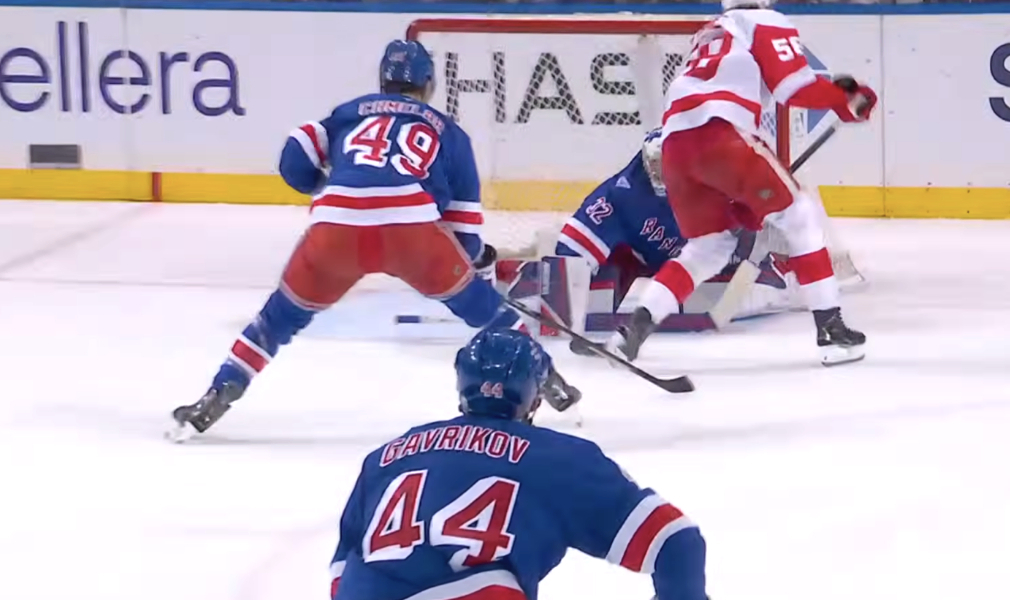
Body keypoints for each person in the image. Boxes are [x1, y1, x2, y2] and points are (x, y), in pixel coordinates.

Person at [167, 40, 579, 442]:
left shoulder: (348, 114)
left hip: (337, 225)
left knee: (276, 320)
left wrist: (321, 185)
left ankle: (219, 392)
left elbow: (295, 155)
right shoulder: (450, 133)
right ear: (429, 84)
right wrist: (473, 265)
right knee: (486, 310)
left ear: (382, 80)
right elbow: (465, 237)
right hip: (410, 228)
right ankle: (548, 379)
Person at [329, 328, 708, 600]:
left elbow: (341, 576)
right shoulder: (559, 460)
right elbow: (675, 541)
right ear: (535, 397)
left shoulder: (386, 456)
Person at [610, 0, 878, 366]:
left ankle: (634, 327)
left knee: (709, 247)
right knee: (799, 215)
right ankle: (831, 329)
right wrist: (844, 99)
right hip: (722, 134)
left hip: (675, 147)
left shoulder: (711, 30)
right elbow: (794, 87)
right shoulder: (763, 20)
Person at [555, 128, 787, 353]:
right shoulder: (623, 193)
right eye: (656, 164)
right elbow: (573, 246)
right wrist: (558, 287)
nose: (663, 172)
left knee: (732, 276)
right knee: (596, 281)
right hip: (643, 257)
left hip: (700, 268)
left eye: (668, 164)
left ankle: (784, 275)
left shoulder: (714, 187)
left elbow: (755, 225)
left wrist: (744, 227)